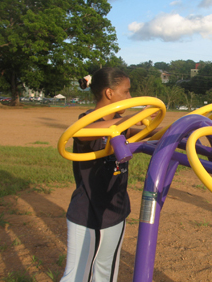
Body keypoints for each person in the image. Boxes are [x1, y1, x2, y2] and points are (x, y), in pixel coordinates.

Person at [61, 68, 156, 282]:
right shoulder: (87, 122)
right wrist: (133, 118)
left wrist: (161, 123)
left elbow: (145, 133)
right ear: (110, 93)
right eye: (127, 92)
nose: (130, 99)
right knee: (76, 276)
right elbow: (82, 132)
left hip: (114, 210)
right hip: (85, 212)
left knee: (106, 273)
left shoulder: (121, 125)